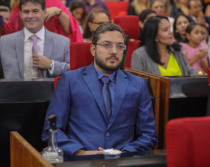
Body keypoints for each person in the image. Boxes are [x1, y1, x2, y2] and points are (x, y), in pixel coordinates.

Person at [42, 23, 157, 158]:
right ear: (93, 49)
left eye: (120, 46)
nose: (114, 51)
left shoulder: (138, 84)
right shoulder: (70, 80)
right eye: (106, 45)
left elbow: (148, 134)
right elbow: (51, 130)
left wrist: (125, 153)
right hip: (82, 161)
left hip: (123, 162)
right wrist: (80, 152)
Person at [0, 0, 70, 80]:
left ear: (44, 13)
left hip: (50, 91)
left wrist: (51, 65)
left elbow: (73, 71)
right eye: (26, 12)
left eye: (35, 11)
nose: (30, 16)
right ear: (21, 14)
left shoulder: (63, 42)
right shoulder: (4, 42)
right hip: (14, 91)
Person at [131, 15, 197, 76]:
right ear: (155, 37)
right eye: (165, 30)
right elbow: (136, 82)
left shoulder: (177, 50)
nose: (171, 32)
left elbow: (189, 71)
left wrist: (201, 74)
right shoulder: (139, 55)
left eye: (170, 28)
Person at [0, 0, 83, 42]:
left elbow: (70, 30)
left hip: (53, 50)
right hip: (25, 50)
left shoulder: (54, 2)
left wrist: (58, 11)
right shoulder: (18, 3)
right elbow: (11, 31)